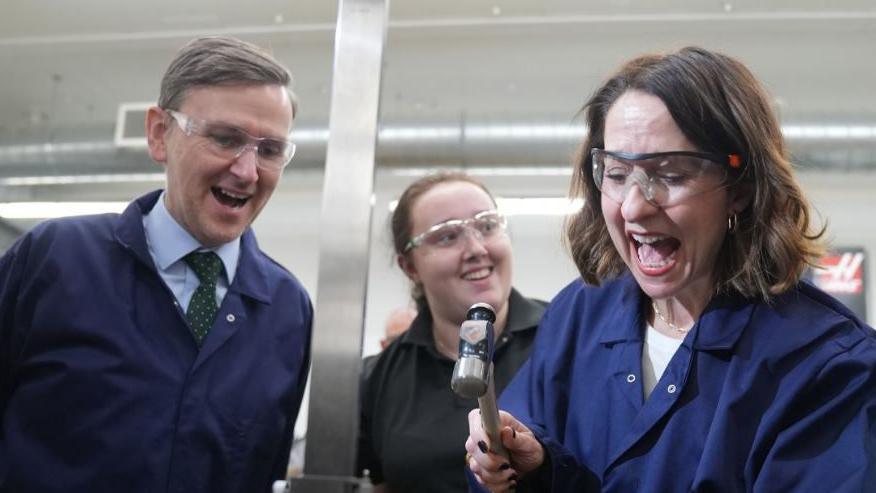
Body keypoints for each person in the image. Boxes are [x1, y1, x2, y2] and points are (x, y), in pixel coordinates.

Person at [466, 46, 876, 492]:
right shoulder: (579, 316)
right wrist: (532, 469)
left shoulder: (825, 364)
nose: (635, 208)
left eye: (673, 174)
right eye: (618, 174)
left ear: (740, 189)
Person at [0, 36, 313, 493]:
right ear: (159, 134)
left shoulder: (286, 308)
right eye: (225, 138)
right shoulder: (55, 259)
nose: (247, 172)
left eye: (269, 150)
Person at [358, 172, 547, 492]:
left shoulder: (568, 338)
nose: (476, 248)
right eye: (447, 236)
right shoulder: (379, 377)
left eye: (487, 226)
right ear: (410, 267)